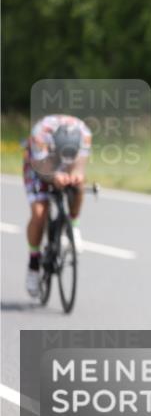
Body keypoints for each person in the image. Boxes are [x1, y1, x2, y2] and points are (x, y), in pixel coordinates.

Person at [23, 114, 92, 298]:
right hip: (39, 162)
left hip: (63, 160)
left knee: (78, 185)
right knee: (39, 213)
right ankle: (34, 263)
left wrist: (75, 175)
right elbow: (41, 166)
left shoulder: (84, 135)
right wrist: (53, 177)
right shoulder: (41, 135)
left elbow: (79, 166)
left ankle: (73, 226)